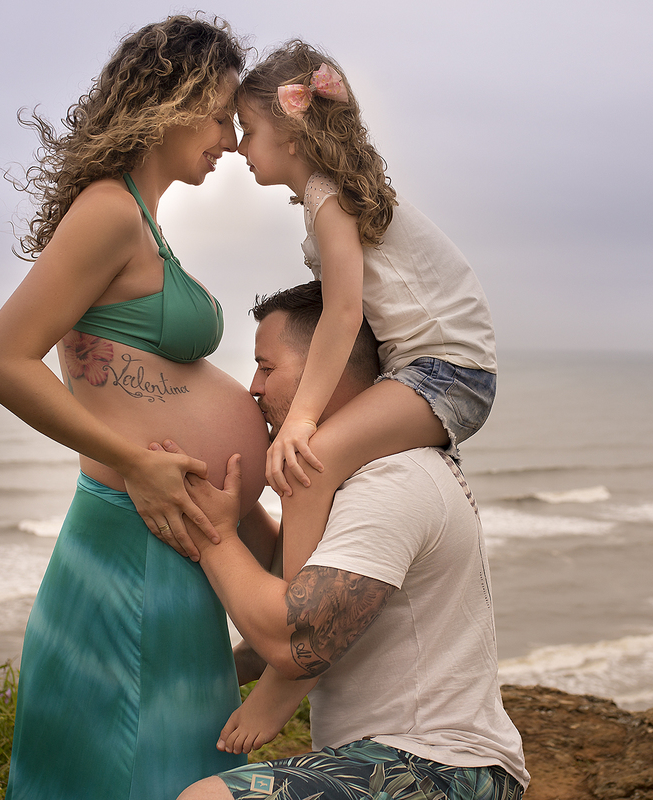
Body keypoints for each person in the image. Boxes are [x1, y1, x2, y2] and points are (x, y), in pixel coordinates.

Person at [0, 15, 273, 800]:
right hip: (133, 547)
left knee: (161, 765)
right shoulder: (109, 211)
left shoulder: (139, 218)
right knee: (140, 769)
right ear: (172, 101)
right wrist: (138, 464)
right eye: (219, 115)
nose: (231, 141)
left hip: (163, 547)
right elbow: (0, 360)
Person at [229, 40, 500, 747]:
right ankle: (288, 642)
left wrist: (304, 419)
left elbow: (344, 313)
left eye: (247, 130)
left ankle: (289, 666)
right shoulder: (324, 196)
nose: (237, 147)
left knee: (305, 464)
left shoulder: (326, 196)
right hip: (440, 371)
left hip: (443, 371)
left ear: (289, 132)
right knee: (314, 470)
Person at [167, 281, 528, 800]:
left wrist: (215, 534)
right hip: (393, 755)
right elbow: (286, 571)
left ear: (325, 369)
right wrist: (230, 503)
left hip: (444, 767)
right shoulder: (350, 472)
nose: (254, 386)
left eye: (267, 367)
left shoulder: (394, 480)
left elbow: (299, 640)